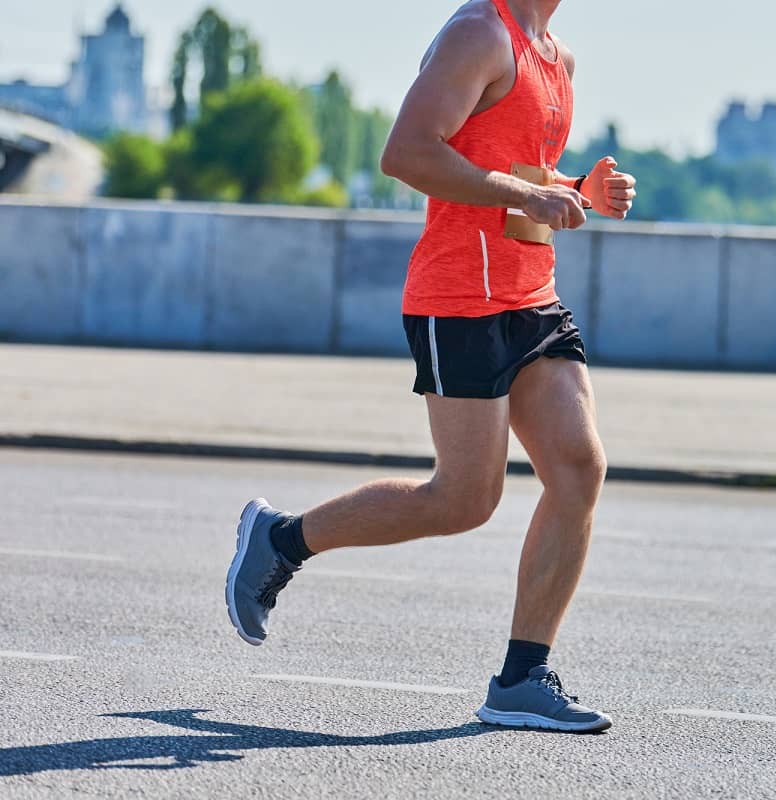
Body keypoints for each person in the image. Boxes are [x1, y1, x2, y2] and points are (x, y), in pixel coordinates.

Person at [224, 0, 636, 734]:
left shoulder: (555, 56)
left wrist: (577, 192)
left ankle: (521, 678)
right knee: (463, 499)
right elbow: (408, 152)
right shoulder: (480, 33)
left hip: (530, 294)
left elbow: (513, 166)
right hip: (459, 301)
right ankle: (281, 540)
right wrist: (532, 192)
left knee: (579, 469)